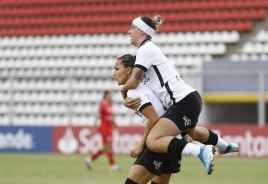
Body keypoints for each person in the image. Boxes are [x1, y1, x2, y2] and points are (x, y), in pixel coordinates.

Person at [121, 15, 239, 175]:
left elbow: (133, 82)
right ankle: (225, 146)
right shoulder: (149, 52)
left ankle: (201, 151)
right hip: (190, 98)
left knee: (153, 140)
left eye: (132, 28)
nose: (129, 31)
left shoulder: (146, 48)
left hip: (183, 102)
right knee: (192, 133)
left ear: (142, 31)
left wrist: (123, 92)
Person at [114, 54, 211, 184]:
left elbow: (153, 119)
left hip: (161, 142)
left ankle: (201, 150)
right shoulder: (147, 86)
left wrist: (141, 145)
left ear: (128, 70)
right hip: (171, 140)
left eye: (116, 69)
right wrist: (182, 133)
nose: (113, 73)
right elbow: (167, 109)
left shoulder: (134, 91)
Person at [85, 90, 121, 171]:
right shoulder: (102, 105)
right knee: (109, 147)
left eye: (111, 95)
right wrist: (94, 129)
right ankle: (112, 166)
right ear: (105, 96)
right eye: (109, 95)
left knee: (105, 148)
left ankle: (90, 160)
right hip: (104, 129)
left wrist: (117, 126)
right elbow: (97, 117)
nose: (111, 97)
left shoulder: (110, 104)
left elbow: (112, 117)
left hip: (110, 128)